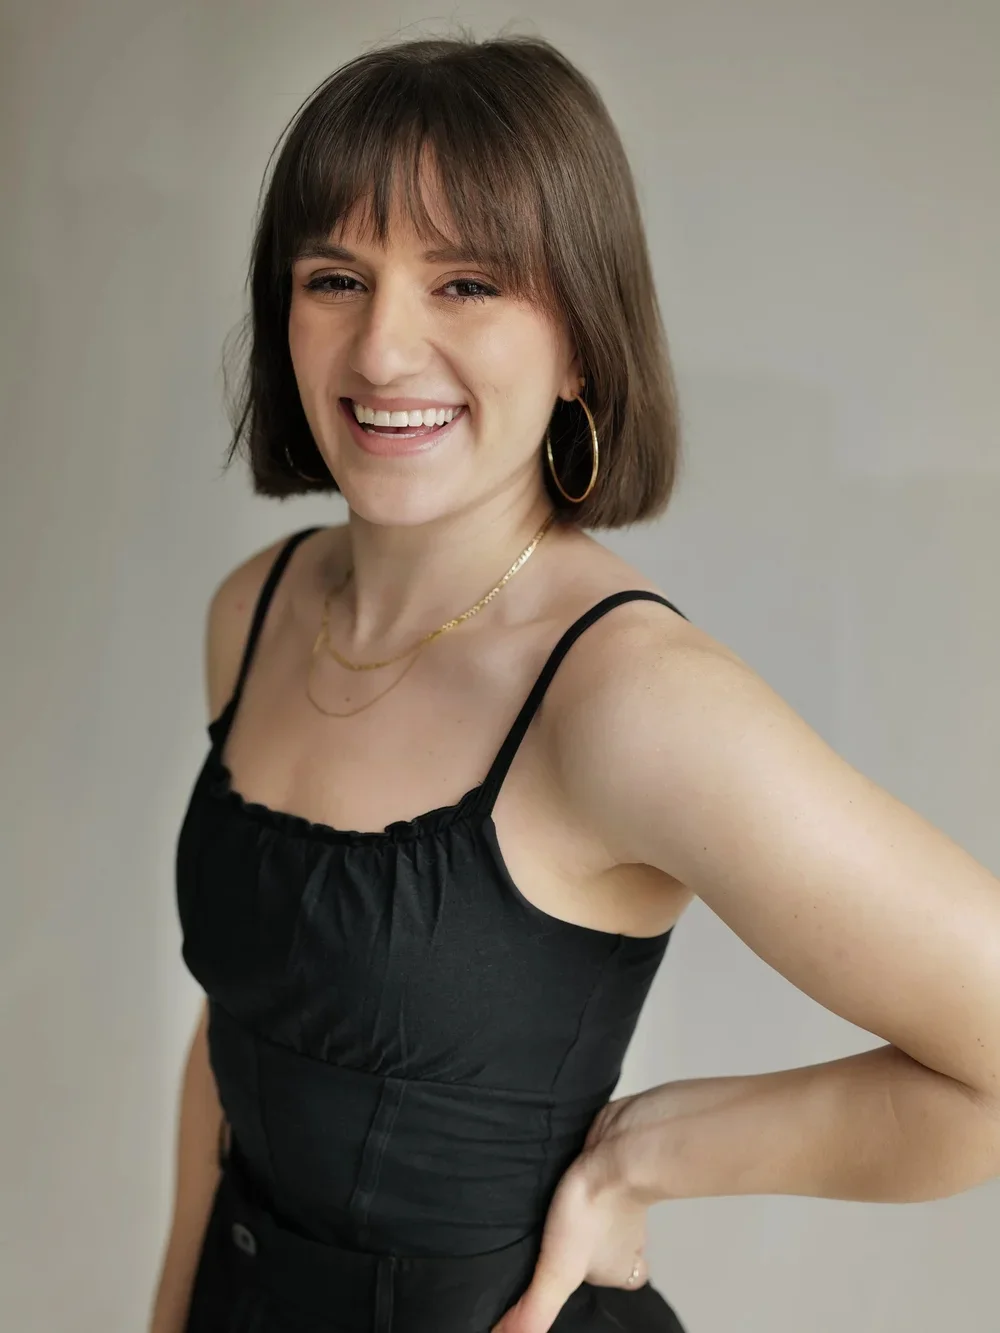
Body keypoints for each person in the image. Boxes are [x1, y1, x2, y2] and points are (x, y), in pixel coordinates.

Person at [149, 30, 1000, 1333]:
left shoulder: (631, 701)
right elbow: (233, 1039)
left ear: (583, 346)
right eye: (336, 277)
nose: (381, 350)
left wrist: (647, 1153)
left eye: (466, 284)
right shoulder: (256, 612)